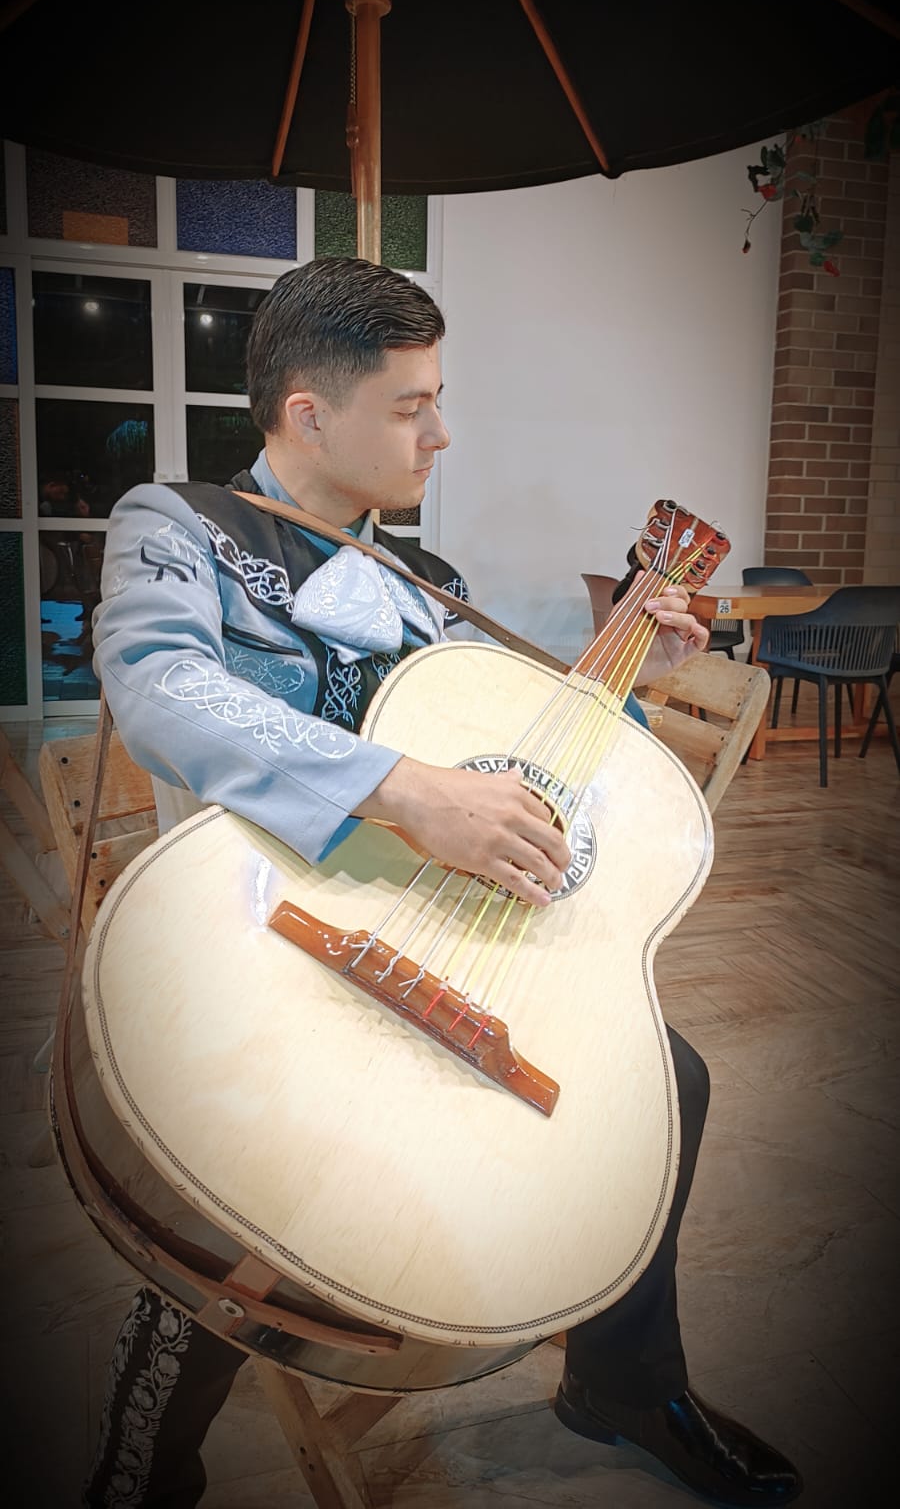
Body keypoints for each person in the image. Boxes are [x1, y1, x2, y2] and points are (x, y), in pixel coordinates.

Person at [83, 257, 801, 1508]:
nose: (442, 430)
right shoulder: (177, 524)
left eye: (439, 396)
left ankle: (622, 1378)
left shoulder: (432, 589)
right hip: (260, 918)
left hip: (424, 915)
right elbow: (160, 689)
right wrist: (406, 790)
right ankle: (144, 1457)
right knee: (227, 1153)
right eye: (412, 403)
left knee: (664, 1076)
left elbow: (505, 738)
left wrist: (622, 666)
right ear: (309, 411)